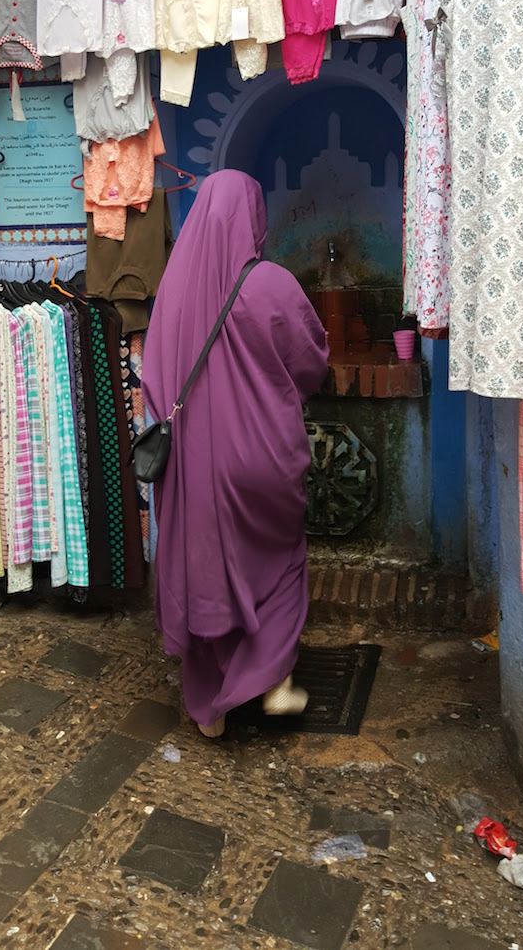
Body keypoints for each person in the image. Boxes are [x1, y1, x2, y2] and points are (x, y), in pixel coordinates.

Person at [141, 169, 329, 737]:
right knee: (277, 563)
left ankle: (211, 708)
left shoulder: (173, 292)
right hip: (263, 462)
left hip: (195, 471)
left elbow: (152, 381)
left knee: (208, 573)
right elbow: (312, 360)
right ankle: (274, 682)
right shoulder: (267, 282)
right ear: (253, 219)